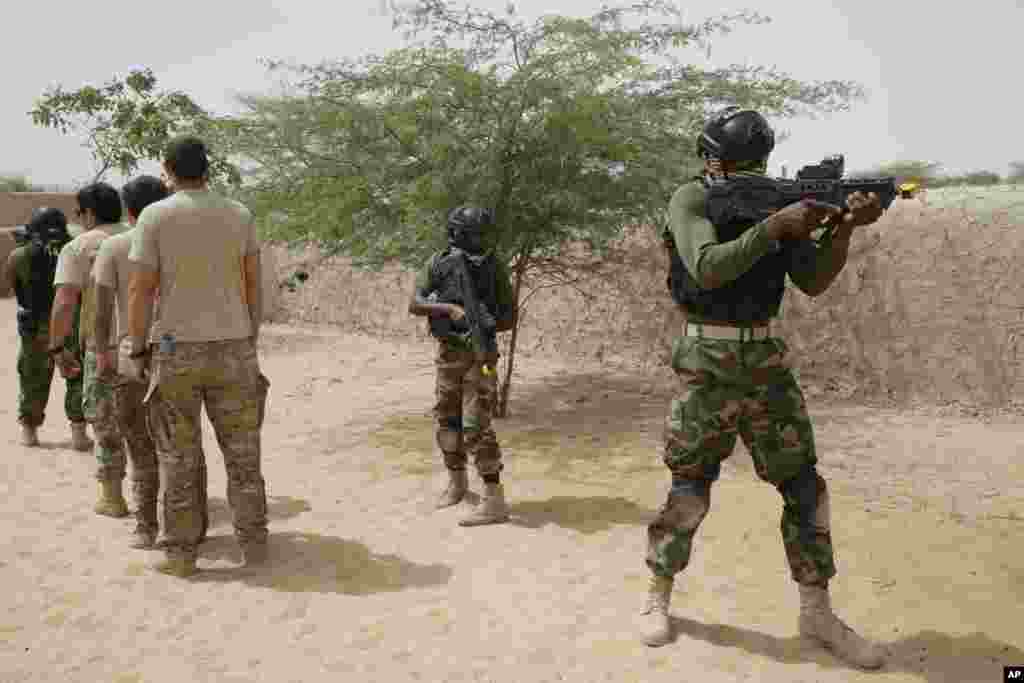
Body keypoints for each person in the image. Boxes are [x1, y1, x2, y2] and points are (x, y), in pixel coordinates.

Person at [639, 106, 887, 669]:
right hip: (707, 359)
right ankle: (657, 597)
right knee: (690, 487)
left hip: (766, 362)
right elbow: (705, 267)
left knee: (804, 488)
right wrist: (775, 227)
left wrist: (843, 226)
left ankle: (816, 614)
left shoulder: (779, 204)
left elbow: (814, 281)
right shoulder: (692, 199)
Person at [125, 135, 269, 577]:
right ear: (207, 168)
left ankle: (182, 555)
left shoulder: (154, 216)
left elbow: (142, 289)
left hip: (175, 350)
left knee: (177, 456)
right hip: (234, 348)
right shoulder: (238, 214)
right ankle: (254, 546)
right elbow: (252, 285)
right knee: (243, 454)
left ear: (167, 169)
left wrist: (136, 348)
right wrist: (249, 338)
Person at [92, 175, 209, 548]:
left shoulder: (114, 246)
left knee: (140, 447)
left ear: (128, 210)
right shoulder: (187, 243)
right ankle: (195, 525)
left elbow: (101, 311)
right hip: (180, 351)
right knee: (184, 445)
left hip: (131, 354)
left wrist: (102, 354)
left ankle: (145, 528)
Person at [408, 206, 516, 526]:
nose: (476, 240)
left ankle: (494, 499)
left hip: (481, 356)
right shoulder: (438, 262)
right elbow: (415, 302)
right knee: (446, 420)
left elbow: (510, 316)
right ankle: (456, 483)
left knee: (476, 425)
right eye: (471, 234)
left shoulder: (494, 268)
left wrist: (486, 320)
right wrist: (449, 309)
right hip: (448, 355)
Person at [49, 182, 126, 506]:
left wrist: (57, 347)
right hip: (146, 344)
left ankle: (112, 497)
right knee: (149, 424)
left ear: (90, 213)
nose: (78, 219)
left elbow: (65, 302)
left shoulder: (78, 248)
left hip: (102, 347)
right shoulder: (140, 236)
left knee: (105, 421)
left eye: (79, 213)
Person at [4, 208, 84, 446]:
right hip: (71, 324)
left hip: (34, 328)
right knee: (76, 376)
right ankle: (79, 433)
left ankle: (29, 432)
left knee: (32, 377)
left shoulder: (19, 256)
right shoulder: (75, 251)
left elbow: (9, 286)